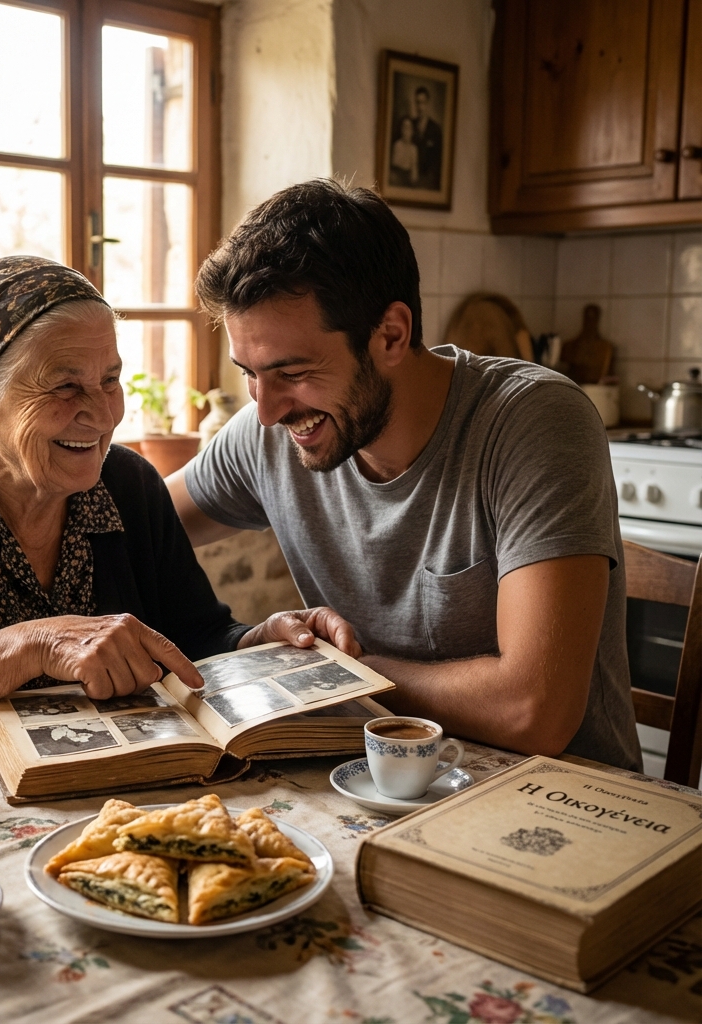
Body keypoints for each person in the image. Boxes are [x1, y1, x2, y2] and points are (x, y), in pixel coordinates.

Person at [0, 256, 354, 760]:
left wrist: (259, 641)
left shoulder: (129, 485)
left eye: (110, 380)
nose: (102, 415)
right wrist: (33, 645)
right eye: (64, 386)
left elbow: (195, 636)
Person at [166, 179, 641, 770]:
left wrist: (338, 674)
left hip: (564, 796)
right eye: (249, 373)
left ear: (391, 334)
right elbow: (138, 523)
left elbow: (533, 711)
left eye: (293, 372)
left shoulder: (533, 422)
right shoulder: (270, 433)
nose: (266, 410)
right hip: (383, 780)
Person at [411, 86, 443, 190]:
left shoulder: (436, 130)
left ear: (428, 104)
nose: (420, 107)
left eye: (423, 103)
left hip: (427, 182)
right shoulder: (409, 125)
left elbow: (437, 163)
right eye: (418, 103)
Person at [390, 116, 419, 187]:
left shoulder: (414, 149)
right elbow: (395, 164)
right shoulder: (397, 145)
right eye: (404, 128)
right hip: (397, 177)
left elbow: (414, 170)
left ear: (412, 131)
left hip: (408, 179)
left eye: (408, 128)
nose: (406, 131)